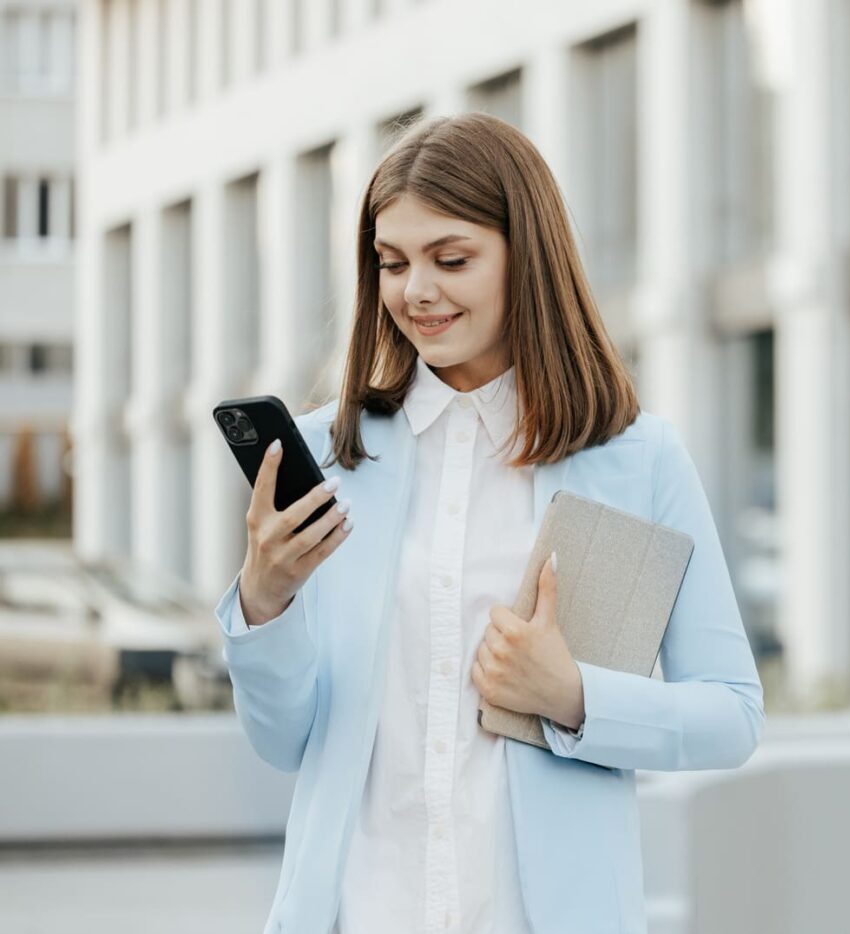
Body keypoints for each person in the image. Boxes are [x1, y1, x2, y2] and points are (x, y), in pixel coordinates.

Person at [213, 113, 765, 934]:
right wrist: (266, 603)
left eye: (453, 259)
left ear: (526, 257)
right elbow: (285, 742)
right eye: (392, 263)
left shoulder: (636, 460)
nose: (416, 292)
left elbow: (731, 716)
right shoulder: (335, 457)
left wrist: (573, 698)